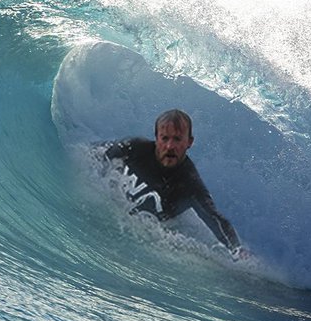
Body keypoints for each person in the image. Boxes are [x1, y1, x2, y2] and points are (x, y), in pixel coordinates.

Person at [97, 109, 246, 258]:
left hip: (138, 241)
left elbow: (214, 217)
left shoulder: (189, 183)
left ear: (189, 142)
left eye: (177, 139)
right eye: (165, 138)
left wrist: (237, 250)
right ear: (156, 138)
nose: (170, 146)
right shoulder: (134, 147)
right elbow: (98, 156)